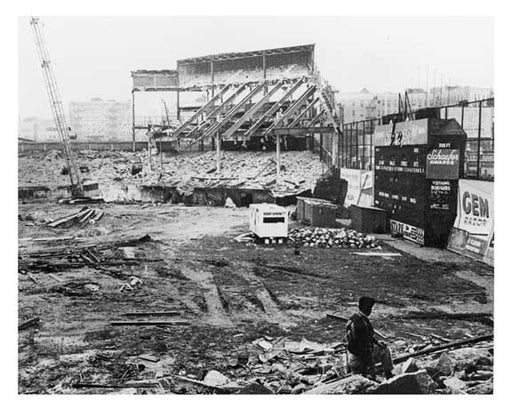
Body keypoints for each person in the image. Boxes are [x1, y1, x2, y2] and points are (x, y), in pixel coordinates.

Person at [346, 296, 394, 380]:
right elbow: (364, 348)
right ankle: (388, 375)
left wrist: (377, 342)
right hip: (360, 359)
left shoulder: (352, 319)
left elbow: (366, 337)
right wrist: (370, 366)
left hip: (352, 356)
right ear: (368, 309)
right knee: (385, 350)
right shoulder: (363, 324)